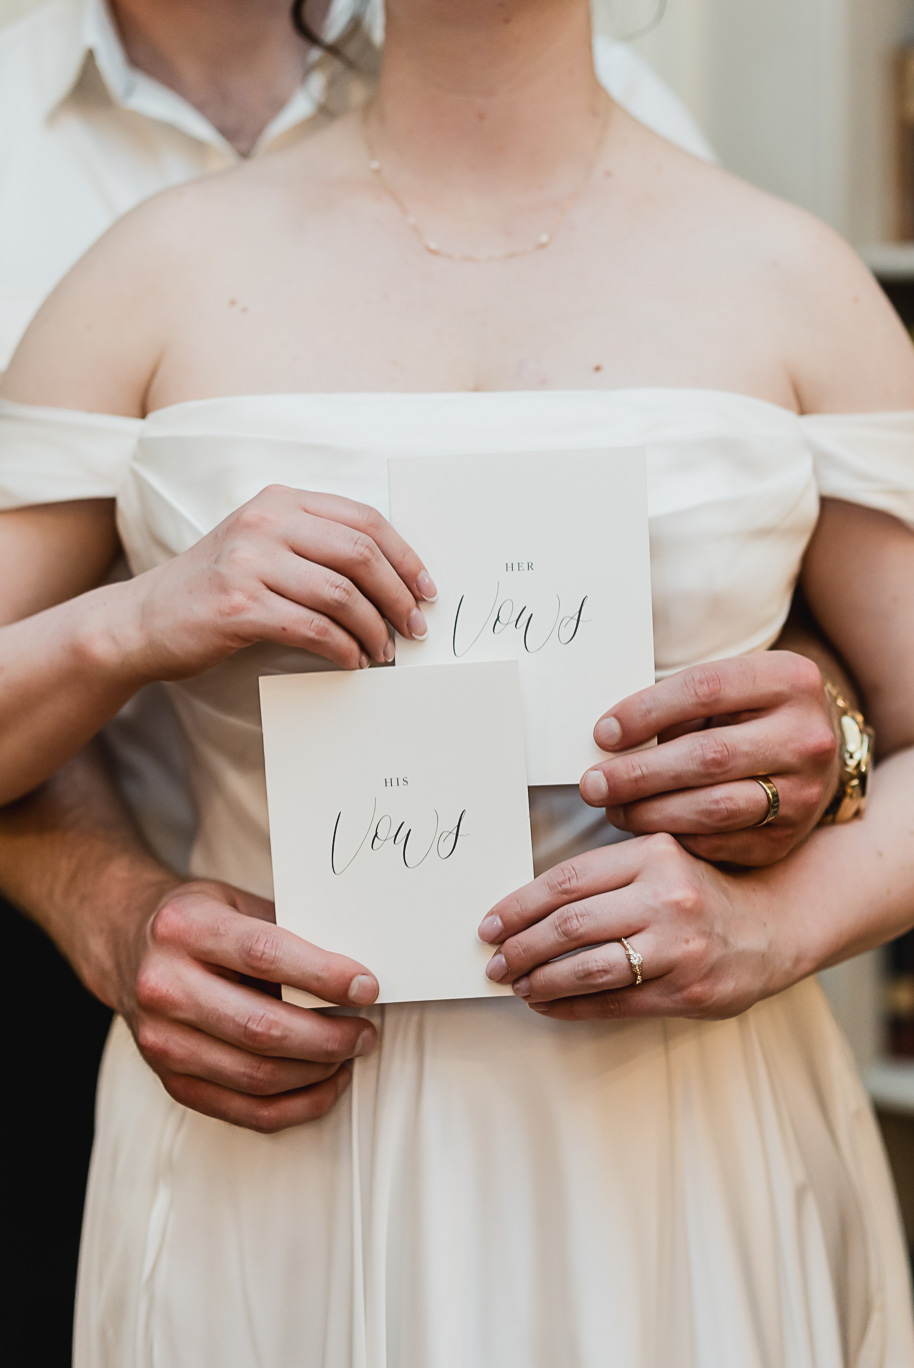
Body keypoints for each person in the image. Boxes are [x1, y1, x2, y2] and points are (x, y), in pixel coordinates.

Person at [3, 1, 913, 1365]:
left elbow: (884, 721)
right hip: (271, 1127)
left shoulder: (791, 277)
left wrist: (775, 929)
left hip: (677, 1136)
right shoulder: (148, 273)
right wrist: (136, 622)